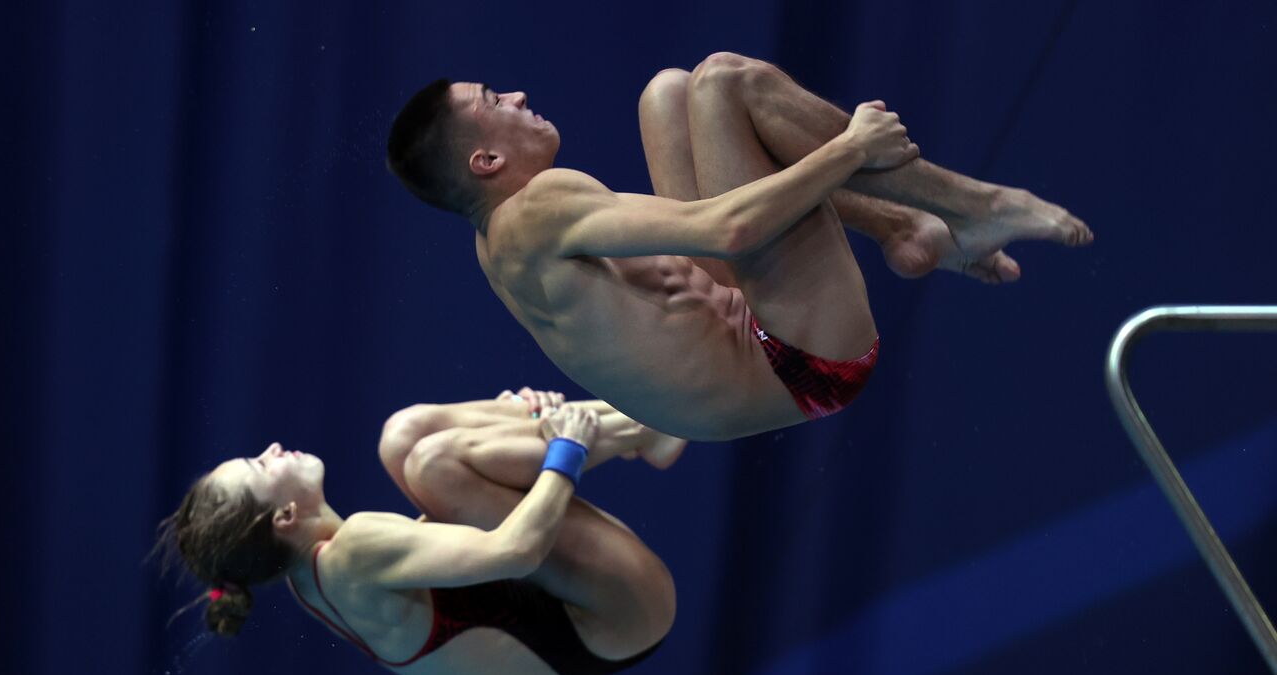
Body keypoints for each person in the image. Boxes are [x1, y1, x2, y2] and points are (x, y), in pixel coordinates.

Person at [386, 53, 1093, 441]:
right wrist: (850, 148)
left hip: (748, 340)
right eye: (493, 99)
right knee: (729, 81)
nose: (515, 92)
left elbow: (700, 236)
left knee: (667, 92)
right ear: (484, 162)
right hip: (800, 362)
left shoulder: (499, 239)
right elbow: (729, 230)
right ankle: (976, 207)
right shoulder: (538, 207)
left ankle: (902, 229)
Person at [157, 392, 683, 675]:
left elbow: (451, 556)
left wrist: (512, 426)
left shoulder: (311, 575)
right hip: (614, 618)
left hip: (563, 607)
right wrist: (567, 448)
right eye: (261, 465)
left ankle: (633, 422)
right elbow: (517, 550)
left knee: (404, 437)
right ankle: (661, 415)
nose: (271, 449)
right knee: (435, 464)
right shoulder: (354, 549)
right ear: (287, 516)